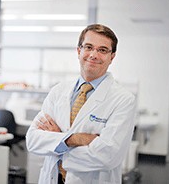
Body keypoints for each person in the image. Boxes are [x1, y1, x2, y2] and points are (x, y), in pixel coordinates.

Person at [26, 24, 136, 184]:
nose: (93, 54)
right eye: (88, 47)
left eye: (103, 50)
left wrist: (56, 143)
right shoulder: (58, 91)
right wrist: (74, 139)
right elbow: (33, 140)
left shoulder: (123, 100)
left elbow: (108, 156)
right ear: (79, 51)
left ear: (112, 57)